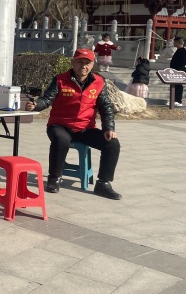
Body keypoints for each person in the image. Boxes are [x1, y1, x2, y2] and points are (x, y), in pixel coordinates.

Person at [25, 48, 122, 200]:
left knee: (112, 144)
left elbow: (106, 108)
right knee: (61, 140)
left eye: (87, 63)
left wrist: (109, 128)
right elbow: (47, 99)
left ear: (92, 65)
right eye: (80, 62)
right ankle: (54, 178)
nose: (83, 66)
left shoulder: (99, 82)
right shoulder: (60, 80)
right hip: (60, 126)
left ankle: (103, 184)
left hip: (85, 129)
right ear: (73, 63)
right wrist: (36, 105)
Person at [170, 37, 186, 107]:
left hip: (179, 71)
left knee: (178, 86)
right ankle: (173, 100)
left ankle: (178, 100)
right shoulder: (178, 50)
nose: (173, 43)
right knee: (174, 86)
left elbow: (183, 62)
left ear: (177, 43)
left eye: (174, 42)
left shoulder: (183, 51)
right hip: (174, 71)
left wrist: (178, 70)